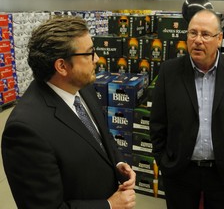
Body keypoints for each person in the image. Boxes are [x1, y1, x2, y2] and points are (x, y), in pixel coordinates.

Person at [1, 16, 136, 209]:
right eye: (89, 53)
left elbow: (102, 137)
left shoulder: (83, 88)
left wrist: (118, 163)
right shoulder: (26, 130)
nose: (97, 59)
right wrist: (109, 205)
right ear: (62, 66)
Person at [149, 9, 224, 209]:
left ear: (219, 39)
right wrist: (164, 161)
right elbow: (158, 122)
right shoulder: (169, 71)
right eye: (193, 33)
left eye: (205, 34)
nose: (198, 40)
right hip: (180, 171)